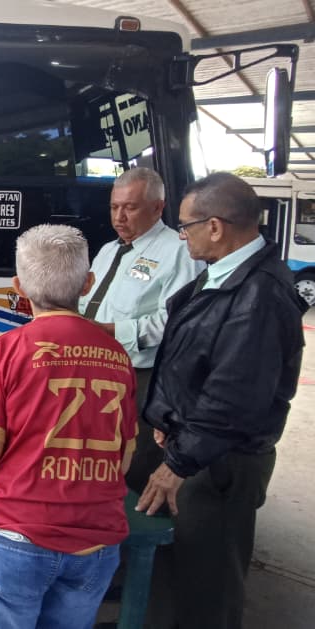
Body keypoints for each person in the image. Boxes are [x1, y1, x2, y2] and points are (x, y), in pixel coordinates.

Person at [136, 173, 307, 629]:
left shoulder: (260, 295)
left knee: (208, 582)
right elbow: (200, 362)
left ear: (214, 227)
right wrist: (169, 417)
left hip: (217, 461)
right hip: (196, 448)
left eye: (185, 226)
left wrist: (177, 464)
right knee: (175, 566)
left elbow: (233, 398)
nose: (182, 236)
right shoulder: (226, 276)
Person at [0, 224, 137, 629]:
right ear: (88, 283)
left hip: (17, 531)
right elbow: (123, 462)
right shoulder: (117, 355)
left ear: (19, 287)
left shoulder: (5, 350)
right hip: (96, 537)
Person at [79, 167, 203, 492]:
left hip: (139, 376)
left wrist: (108, 331)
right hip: (94, 369)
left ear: (158, 207)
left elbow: (174, 323)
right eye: (114, 207)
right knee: (95, 457)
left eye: (130, 208)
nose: (119, 217)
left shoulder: (179, 252)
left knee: (133, 463)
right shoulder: (109, 250)